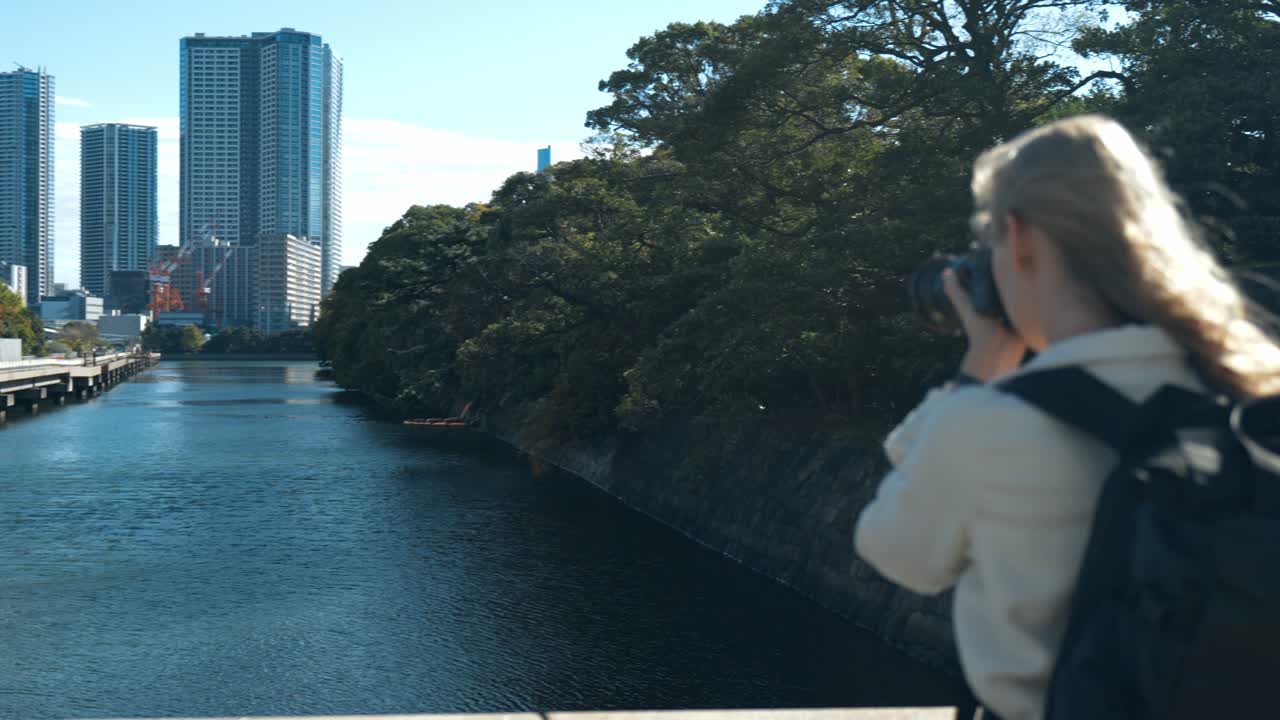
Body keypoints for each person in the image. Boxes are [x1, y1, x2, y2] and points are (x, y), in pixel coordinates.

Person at [853, 114, 1280, 720]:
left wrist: (979, 366)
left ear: (1020, 237)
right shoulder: (1250, 383)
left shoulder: (986, 423)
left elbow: (895, 550)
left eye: (990, 241)